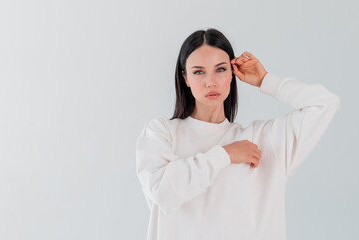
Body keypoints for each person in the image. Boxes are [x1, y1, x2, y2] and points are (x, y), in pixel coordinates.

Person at [135, 28, 340, 240]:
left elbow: (324, 104)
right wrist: (225, 154)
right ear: (185, 78)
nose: (210, 81)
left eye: (220, 69)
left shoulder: (262, 139)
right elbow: (163, 192)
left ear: (232, 73)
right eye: (198, 72)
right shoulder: (162, 133)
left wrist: (265, 80)